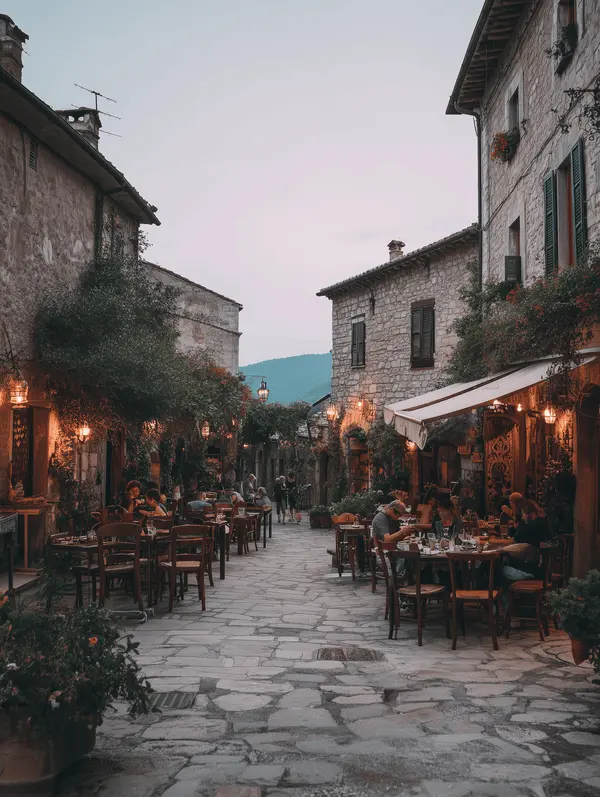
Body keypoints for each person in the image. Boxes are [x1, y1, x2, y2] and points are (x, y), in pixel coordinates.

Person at [502, 500, 550, 582]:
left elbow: (517, 539)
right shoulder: (543, 522)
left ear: (529, 513)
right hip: (539, 568)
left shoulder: (532, 526)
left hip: (531, 570)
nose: (522, 517)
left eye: (523, 513)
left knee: (498, 567)